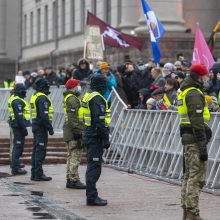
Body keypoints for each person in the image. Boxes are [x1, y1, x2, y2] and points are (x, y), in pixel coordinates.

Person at [177, 64, 212, 220]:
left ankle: (187, 212)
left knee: (189, 175)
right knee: (196, 177)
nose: (207, 78)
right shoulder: (193, 94)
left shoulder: (186, 91)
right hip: (195, 140)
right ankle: (192, 213)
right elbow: (197, 122)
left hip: (188, 138)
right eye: (205, 75)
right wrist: (202, 146)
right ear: (199, 76)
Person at [80, 74, 110, 206]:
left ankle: (91, 195)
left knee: (92, 166)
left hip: (89, 134)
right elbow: (100, 121)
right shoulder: (97, 98)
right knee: (94, 167)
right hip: (95, 136)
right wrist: (105, 138)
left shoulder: (88, 95)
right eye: (104, 84)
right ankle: (92, 197)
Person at [63, 79, 86, 189]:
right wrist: (78, 131)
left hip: (70, 131)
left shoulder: (70, 98)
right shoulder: (72, 99)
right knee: (75, 156)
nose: (79, 87)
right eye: (78, 85)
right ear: (74, 87)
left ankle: (70, 179)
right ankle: (74, 179)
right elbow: (73, 118)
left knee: (71, 156)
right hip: (73, 132)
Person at [30, 78, 54, 181]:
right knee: (40, 151)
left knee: (36, 150)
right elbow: (44, 115)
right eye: (46, 85)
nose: (48, 86)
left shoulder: (35, 96)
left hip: (36, 126)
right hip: (41, 127)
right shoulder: (42, 98)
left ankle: (34, 173)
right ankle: (38, 174)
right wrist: (50, 128)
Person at [8, 84, 31, 175]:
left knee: (19, 147)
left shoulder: (16, 98)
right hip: (18, 126)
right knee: (18, 147)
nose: (25, 92)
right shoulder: (17, 101)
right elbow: (19, 116)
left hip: (18, 125)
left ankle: (16, 164)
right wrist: (24, 128)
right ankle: (15, 168)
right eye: (23, 90)